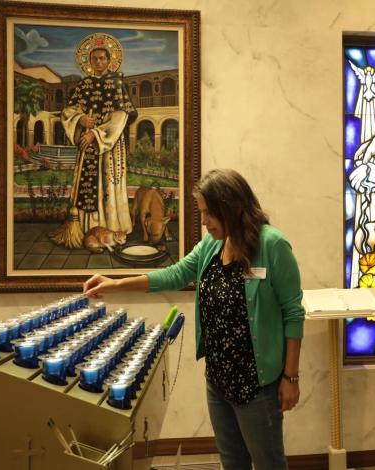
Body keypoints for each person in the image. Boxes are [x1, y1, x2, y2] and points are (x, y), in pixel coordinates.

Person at [83, 169, 304, 470]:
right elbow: (173, 275)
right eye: (201, 212)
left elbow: (293, 313)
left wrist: (291, 378)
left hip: (257, 384)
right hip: (217, 380)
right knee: (232, 462)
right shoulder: (212, 245)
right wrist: (115, 284)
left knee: (269, 464)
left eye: (209, 213)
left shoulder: (272, 245)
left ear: (233, 207)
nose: (203, 221)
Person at [61, 33, 137, 236]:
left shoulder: (117, 84)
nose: (98, 62)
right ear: (88, 61)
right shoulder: (84, 84)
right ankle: (86, 229)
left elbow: (121, 116)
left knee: (107, 183)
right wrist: (80, 119)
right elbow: (67, 112)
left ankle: (111, 228)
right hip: (86, 141)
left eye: (102, 58)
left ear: (110, 61)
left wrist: (95, 133)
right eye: (94, 58)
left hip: (108, 145)